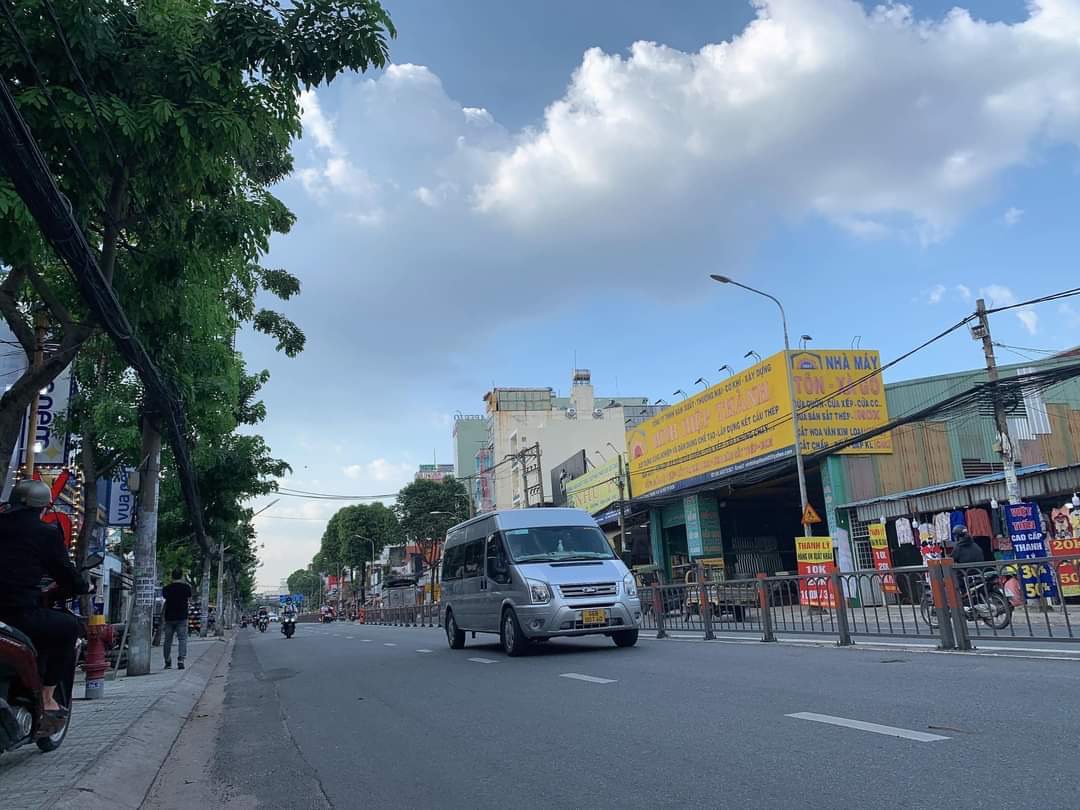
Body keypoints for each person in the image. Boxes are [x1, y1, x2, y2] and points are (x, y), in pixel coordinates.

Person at [0, 479, 91, 721]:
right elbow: (65, 573)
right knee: (69, 627)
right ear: (43, 507)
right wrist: (82, 586)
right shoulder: (45, 532)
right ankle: (48, 698)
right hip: (17, 614)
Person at [162, 568, 192, 670]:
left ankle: (167, 661)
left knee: (168, 640)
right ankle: (181, 660)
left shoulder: (166, 588)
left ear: (172, 576)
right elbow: (189, 597)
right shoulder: (186, 588)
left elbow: (165, 598)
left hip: (169, 617)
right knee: (182, 639)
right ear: (182, 576)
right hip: (182, 617)